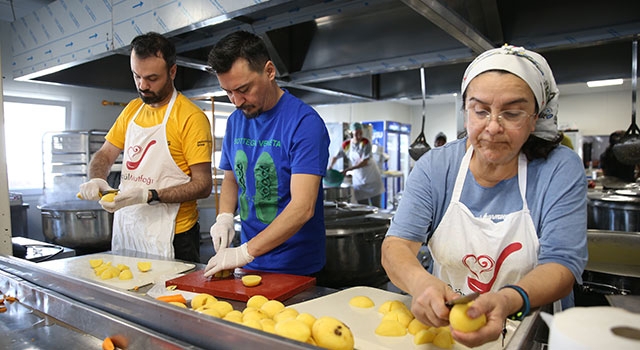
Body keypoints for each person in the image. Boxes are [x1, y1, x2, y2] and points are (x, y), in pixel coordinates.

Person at [381, 45, 588, 348]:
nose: (492, 127)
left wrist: (507, 300)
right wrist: (421, 283)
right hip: (449, 331)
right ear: (465, 112)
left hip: (534, 332)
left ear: (535, 117)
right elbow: (396, 245)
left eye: (512, 113)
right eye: (480, 111)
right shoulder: (437, 166)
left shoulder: (559, 169)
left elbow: (562, 265)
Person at [203, 31, 330, 278]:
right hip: (249, 264)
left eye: (243, 89)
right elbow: (231, 179)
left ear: (269, 71)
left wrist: (244, 252)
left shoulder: (304, 123)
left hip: (296, 268)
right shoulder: (235, 121)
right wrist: (225, 217)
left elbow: (303, 207)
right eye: (228, 92)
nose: (236, 101)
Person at [78, 32, 213, 263]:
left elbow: (203, 185)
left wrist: (149, 195)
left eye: (152, 78)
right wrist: (97, 179)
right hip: (129, 227)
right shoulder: (132, 110)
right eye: (136, 76)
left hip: (174, 234)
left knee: (169, 299)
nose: (142, 85)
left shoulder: (191, 117)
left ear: (172, 71)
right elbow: (105, 154)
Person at [328, 122, 385, 207]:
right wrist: (330, 167)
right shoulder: (346, 145)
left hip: (372, 179)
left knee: (376, 207)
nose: (359, 136)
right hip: (359, 180)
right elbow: (335, 157)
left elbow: (364, 162)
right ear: (352, 133)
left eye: (360, 133)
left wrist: (347, 170)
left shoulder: (365, 143)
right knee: (363, 207)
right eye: (356, 134)